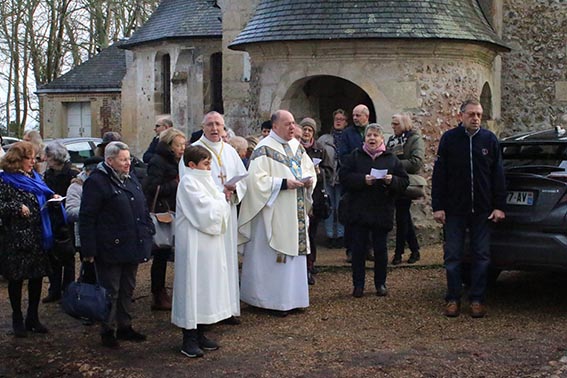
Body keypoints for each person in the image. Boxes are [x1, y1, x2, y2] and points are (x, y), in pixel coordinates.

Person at [432, 99, 506, 318]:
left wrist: (499, 206)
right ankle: (453, 298)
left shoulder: (489, 140)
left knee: (481, 256)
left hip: (482, 210)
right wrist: (438, 206)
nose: (475, 118)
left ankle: (477, 299)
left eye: (479, 115)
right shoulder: (449, 140)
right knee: (453, 256)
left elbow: (498, 175)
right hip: (455, 209)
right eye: (471, 114)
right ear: (461, 115)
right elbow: (439, 176)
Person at [239, 110, 316, 317]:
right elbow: (255, 182)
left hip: (295, 208)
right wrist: (283, 183)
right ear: (275, 127)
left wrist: (309, 181)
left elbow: (309, 168)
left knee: (294, 256)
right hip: (272, 211)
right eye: (287, 124)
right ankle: (269, 300)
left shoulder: (296, 146)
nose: (292, 127)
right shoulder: (263, 149)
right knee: (272, 256)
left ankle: (294, 298)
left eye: (293, 123)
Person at [80, 141, 154, 348]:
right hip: (109, 247)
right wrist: (89, 250)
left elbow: (142, 208)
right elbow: (87, 217)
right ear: (109, 160)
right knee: (109, 290)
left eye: (129, 158)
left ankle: (125, 325)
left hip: (132, 244)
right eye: (123, 159)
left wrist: (148, 230)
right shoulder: (97, 182)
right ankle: (108, 330)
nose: (128, 163)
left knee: (127, 288)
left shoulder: (131, 179)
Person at [172, 145, 232, 358]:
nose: (209, 167)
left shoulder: (206, 180)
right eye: (205, 163)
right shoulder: (188, 182)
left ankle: (202, 331)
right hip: (194, 243)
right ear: (192, 165)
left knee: (206, 286)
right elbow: (204, 210)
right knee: (192, 287)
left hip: (209, 243)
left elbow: (218, 200)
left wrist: (221, 201)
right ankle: (189, 336)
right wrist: (221, 203)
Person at [190, 111, 247, 324]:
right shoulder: (194, 151)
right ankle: (210, 312)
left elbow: (243, 180)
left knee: (228, 262)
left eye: (218, 125)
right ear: (203, 127)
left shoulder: (230, 151)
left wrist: (234, 190)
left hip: (228, 214)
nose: (215, 129)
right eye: (210, 124)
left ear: (224, 127)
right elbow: (191, 186)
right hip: (208, 218)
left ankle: (229, 308)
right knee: (212, 265)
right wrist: (219, 193)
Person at [340, 124, 408, 298]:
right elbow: (344, 178)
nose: (372, 138)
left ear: (381, 139)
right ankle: (358, 285)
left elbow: (404, 181)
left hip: (381, 210)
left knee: (380, 250)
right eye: (369, 135)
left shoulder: (391, 159)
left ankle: (380, 284)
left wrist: (392, 180)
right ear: (365, 138)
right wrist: (363, 180)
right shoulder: (354, 157)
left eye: (375, 136)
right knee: (358, 250)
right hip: (359, 210)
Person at [0, 141, 57, 337]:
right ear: (17, 159)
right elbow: (1, 205)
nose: (34, 161)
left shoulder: (34, 177)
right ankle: (17, 317)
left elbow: (44, 192)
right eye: (29, 158)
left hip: (38, 235)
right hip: (16, 239)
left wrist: (53, 197)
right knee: (16, 280)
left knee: (36, 277)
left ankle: (33, 317)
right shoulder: (5, 180)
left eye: (34, 157)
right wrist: (16, 208)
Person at [142, 128, 186, 311]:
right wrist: (176, 183)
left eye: (184, 144)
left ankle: (164, 292)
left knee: (168, 253)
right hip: (164, 211)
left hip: (175, 209)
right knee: (161, 253)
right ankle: (158, 293)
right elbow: (152, 187)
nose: (182, 148)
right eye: (178, 145)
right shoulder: (158, 161)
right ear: (169, 146)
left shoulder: (178, 160)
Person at [42, 141, 80, 304]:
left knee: (68, 256)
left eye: (48, 156)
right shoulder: (48, 173)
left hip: (67, 218)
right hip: (52, 216)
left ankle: (68, 289)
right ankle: (54, 288)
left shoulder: (72, 173)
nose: (46, 159)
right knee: (53, 256)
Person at [386, 113, 425, 265]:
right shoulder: (392, 140)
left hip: (405, 182)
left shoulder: (414, 139)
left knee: (402, 218)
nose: (393, 127)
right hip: (394, 183)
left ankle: (399, 252)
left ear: (403, 124)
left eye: (396, 124)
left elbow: (416, 162)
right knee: (404, 218)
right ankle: (414, 250)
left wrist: (395, 165)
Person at [299, 117, 332, 285]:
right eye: (304, 129)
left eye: (309, 130)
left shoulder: (320, 150)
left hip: (316, 195)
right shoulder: (295, 148)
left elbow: (329, 171)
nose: (306, 132)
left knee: (311, 234)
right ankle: (302, 267)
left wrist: (319, 172)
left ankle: (310, 265)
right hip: (300, 194)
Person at [340, 104, 372, 263]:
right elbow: (343, 155)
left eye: (358, 115)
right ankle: (351, 250)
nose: (354, 118)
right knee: (351, 218)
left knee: (370, 216)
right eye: (353, 115)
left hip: (371, 183)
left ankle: (368, 249)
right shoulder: (347, 134)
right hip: (354, 180)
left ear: (366, 116)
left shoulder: (372, 132)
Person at [65, 156, 103, 287]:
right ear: (87, 172)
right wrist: (90, 210)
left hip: (106, 235)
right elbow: (70, 212)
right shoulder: (76, 187)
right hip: (86, 236)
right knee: (90, 273)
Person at [318, 109, 348, 248]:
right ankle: (330, 235)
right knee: (329, 207)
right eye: (336, 118)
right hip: (328, 178)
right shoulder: (324, 139)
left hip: (342, 178)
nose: (338, 121)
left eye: (341, 119)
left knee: (340, 207)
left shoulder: (348, 138)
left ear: (346, 122)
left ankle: (341, 235)